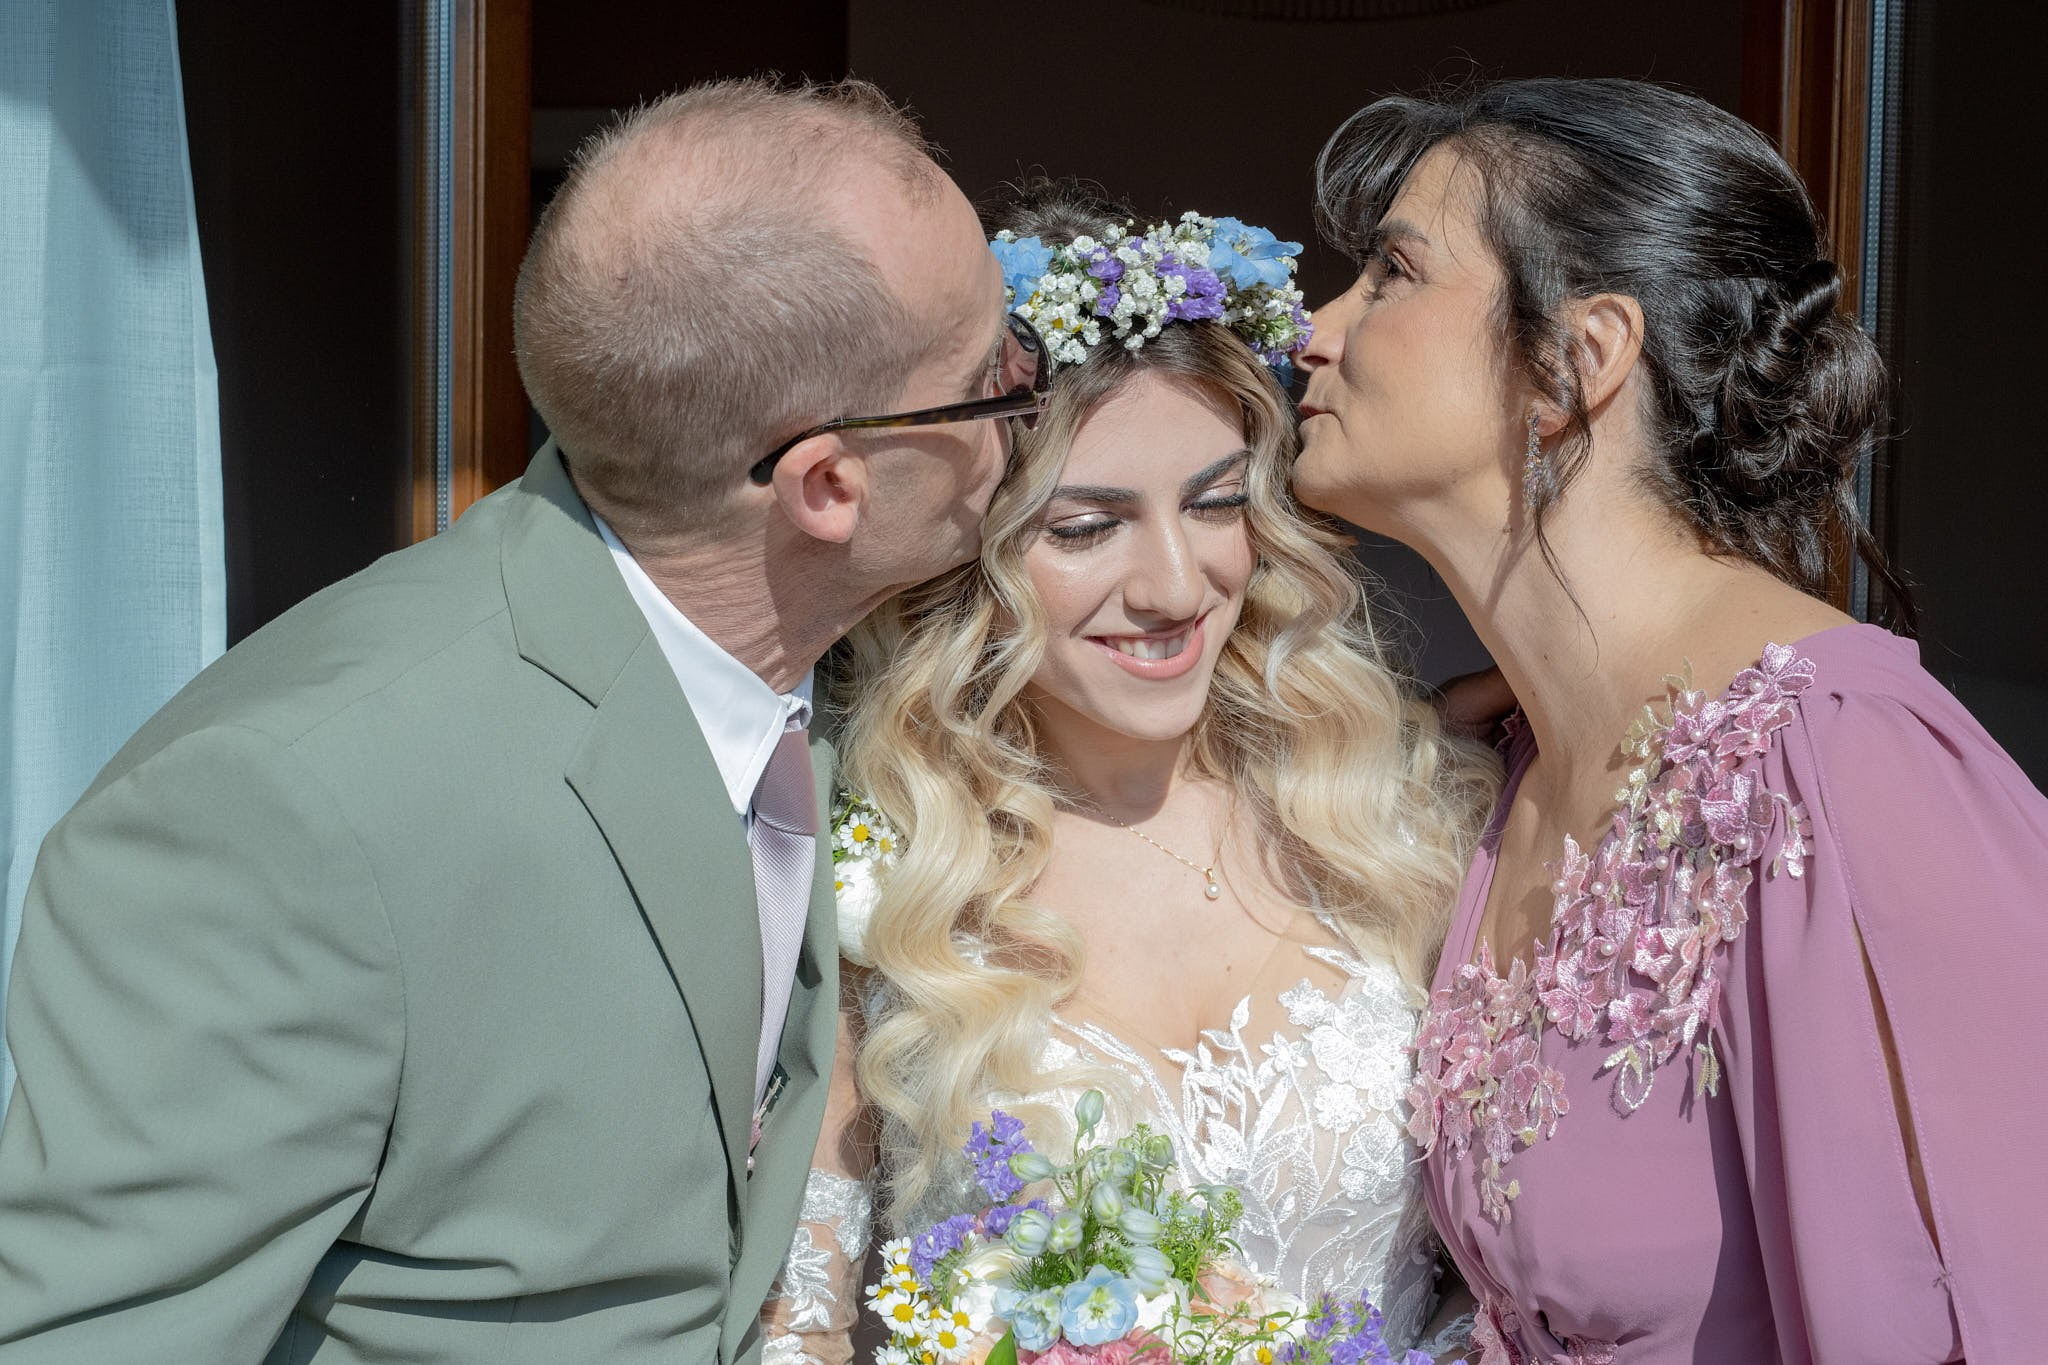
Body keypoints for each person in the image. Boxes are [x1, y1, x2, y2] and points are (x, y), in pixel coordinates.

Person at [0, 78, 1043, 1363]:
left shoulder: (854, 664)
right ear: (828, 484)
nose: (1023, 403)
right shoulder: (285, 811)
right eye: (992, 378)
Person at [1294, 77, 2048, 1363]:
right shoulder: (1504, 774)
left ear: (1575, 359)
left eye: (1389, 275)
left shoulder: (1844, 768)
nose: (1315, 330)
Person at [755, 185, 1499, 1364]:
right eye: (1084, 527)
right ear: (975, 558)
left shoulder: (1404, 819)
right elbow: (797, 1329)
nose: (1171, 585)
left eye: (1215, 505)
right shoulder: (872, 876)